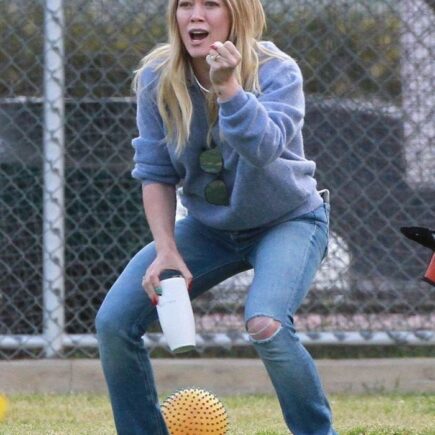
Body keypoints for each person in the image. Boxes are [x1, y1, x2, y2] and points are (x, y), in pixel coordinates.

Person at [96, 0, 337, 433]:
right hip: (211, 229)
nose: (195, 15)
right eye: (185, 4)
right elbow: (155, 172)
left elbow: (263, 150)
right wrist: (166, 250)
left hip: (289, 220)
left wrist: (230, 90)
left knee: (267, 324)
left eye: (211, 4)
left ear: (237, 14)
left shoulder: (277, 70)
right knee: (114, 322)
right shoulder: (157, 77)